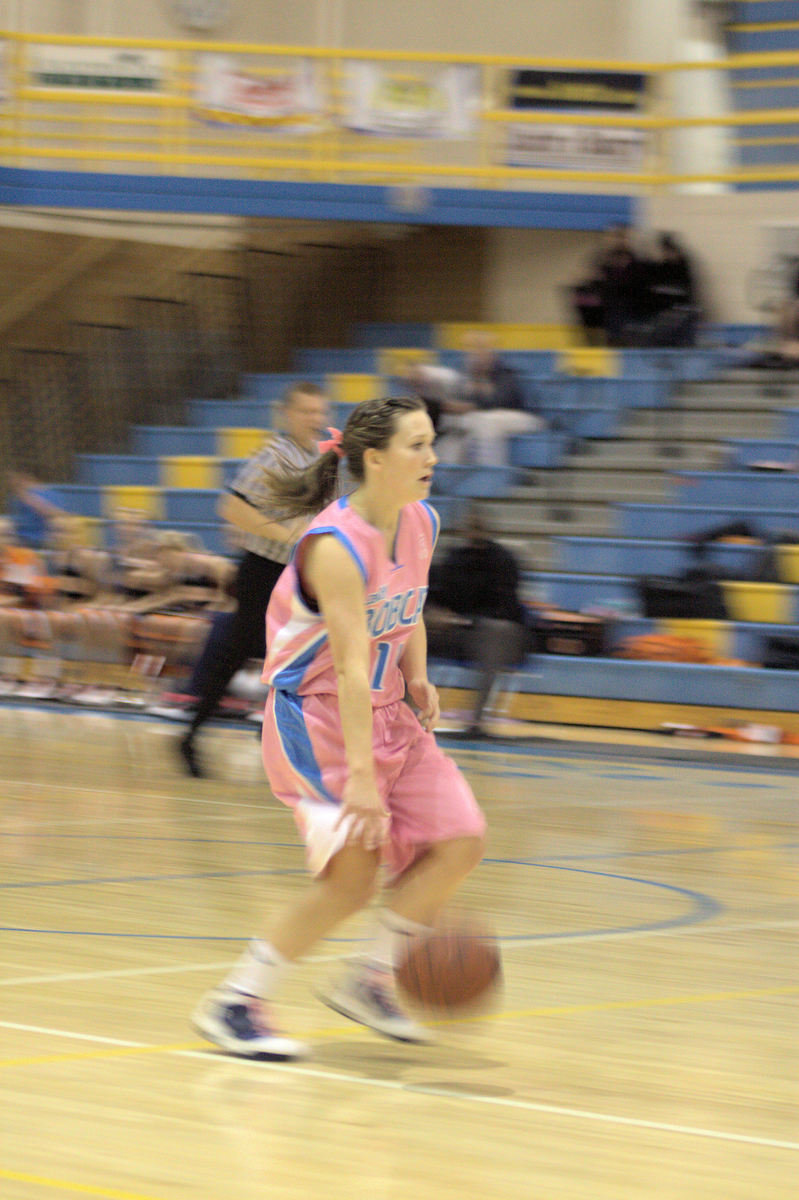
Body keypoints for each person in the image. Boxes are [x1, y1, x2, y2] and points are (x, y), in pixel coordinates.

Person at [192, 395, 486, 1059]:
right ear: (375, 460)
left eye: (431, 442)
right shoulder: (332, 547)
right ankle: (235, 1002)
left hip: (386, 710)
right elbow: (350, 668)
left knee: (461, 838)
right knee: (352, 880)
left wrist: (416, 675)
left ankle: (370, 980)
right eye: (417, 445)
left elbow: (404, 611)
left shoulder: (421, 522)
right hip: (317, 717)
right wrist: (360, 779)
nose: (432, 457)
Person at [178, 381, 329, 777]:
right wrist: (288, 535)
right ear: (286, 414)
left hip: (298, 576)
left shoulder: (319, 458)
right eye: (306, 411)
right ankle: (194, 735)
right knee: (244, 657)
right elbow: (230, 507)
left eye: (319, 411)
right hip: (264, 573)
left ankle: (264, 732)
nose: (315, 418)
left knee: (299, 657)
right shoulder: (273, 457)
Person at [426, 510, 531, 735]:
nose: (473, 532)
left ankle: (477, 719)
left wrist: (467, 621)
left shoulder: (504, 560)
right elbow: (438, 595)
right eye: (469, 527)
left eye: (478, 527)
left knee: (494, 634)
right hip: (461, 633)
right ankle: (400, 711)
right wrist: (435, 613)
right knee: (415, 628)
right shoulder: (455, 558)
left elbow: (506, 608)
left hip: (497, 634)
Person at [436, 331, 542, 467]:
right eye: (473, 352)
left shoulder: (504, 373)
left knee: (487, 421)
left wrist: (474, 404)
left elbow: (504, 401)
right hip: (478, 418)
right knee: (452, 425)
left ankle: (490, 472)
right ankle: (447, 472)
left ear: (491, 354)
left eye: (482, 351)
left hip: (522, 418)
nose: (478, 357)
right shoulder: (466, 375)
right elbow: (458, 401)